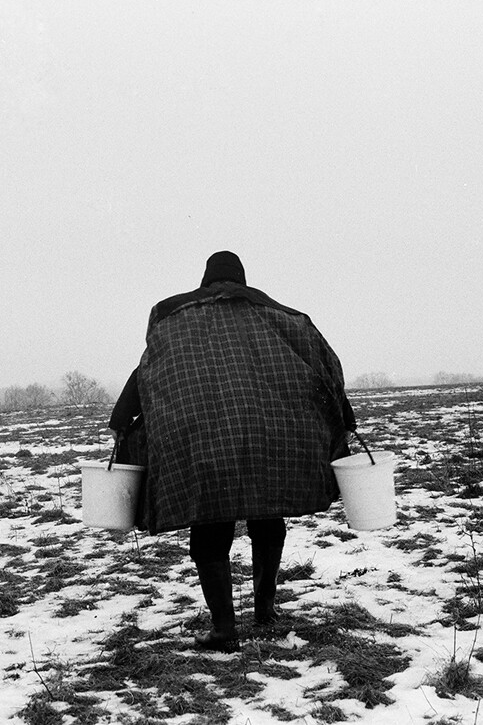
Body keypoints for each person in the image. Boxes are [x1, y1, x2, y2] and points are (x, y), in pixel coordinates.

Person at [109, 250, 356, 652]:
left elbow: (148, 370)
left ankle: (224, 628)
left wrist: (121, 423)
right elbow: (322, 365)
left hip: (206, 440)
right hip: (271, 437)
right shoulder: (281, 317)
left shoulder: (174, 316)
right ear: (242, 279)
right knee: (268, 515)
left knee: (210, 530)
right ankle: (265, 608)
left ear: (206, 279)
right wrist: (345, 418)